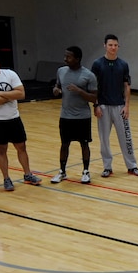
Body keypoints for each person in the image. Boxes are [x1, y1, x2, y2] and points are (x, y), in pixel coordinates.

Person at [0, 51, 42, 191]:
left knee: (21, 147)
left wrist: (0, 94)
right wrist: (12, 95)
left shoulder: (10, 74)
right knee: (2, 150)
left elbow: (21, 94)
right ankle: (6, 178)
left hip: (13, 118)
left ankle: (28, 174)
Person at [91, 34, 138, 178]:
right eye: (110, 45)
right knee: (104, 139)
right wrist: (96, 105)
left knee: (126, 137)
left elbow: (127, 86)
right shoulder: (97, 64)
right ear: (105, 46)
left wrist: (127, 106)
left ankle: (132, 165)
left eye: (115, 45)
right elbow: (93, 86)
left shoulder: (123, 65)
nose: (113, 48)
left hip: (120, 106)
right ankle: (107, 167)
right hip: (103, 106)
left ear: (118, 46)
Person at [51, 46, 97, 185]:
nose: (65, 59)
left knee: (84, 144)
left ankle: (85, 172)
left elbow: (94, 98)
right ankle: (62, 172)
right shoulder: (61, 71)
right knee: (64, 144)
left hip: (82, 117)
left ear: (77, 59)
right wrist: (56, 90)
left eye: (69, 56)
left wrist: (79, 91)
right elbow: (57, 85)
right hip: (65, 116)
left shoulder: (89, 75)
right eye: (65, 56)